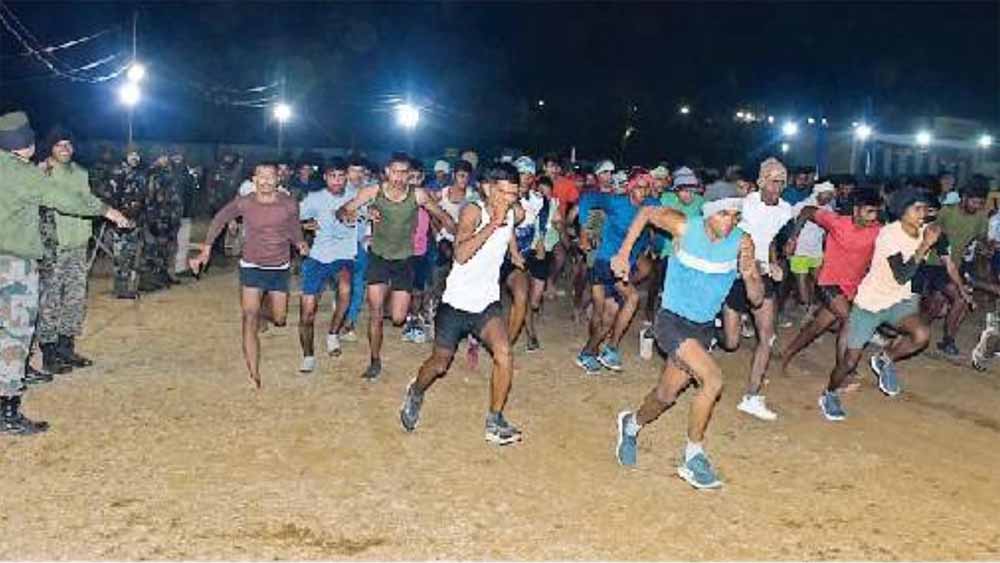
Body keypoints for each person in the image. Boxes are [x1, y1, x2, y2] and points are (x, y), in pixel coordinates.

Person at [612, 181, 763, 489]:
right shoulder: (684, 226)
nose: (730, 222)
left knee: (664, 396)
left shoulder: (742, 242)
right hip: (671, 321)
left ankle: (631, 425)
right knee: (713, 380)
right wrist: (623, 254)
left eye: (735, 215)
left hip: (703, 328)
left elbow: (757, 298)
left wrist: (750, 276)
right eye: (723, 214)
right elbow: (647, 212)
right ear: (708, 213)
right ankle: (693, 457)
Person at [1, 110, 131, 435]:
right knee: (14, 335)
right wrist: (107, 210)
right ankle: (7, 410)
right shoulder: (22, 174)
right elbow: (64, 198)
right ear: (26, 143)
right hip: (13, 265)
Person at [398, 162, 524, 445]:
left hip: (486, 304)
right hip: (455, 304)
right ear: (487, 188)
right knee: (439, 365)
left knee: (504, 353)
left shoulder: (512, 211)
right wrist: (493, 224)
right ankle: (416, 391)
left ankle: (495, 420)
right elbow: (461, 255)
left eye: (514, 194)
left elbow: (515, 221)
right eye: (504, 193)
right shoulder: (473, 211)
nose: (510, 199)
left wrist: (514, 250)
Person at [819, 189, 938, 421]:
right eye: (917, 208)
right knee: (849, 361)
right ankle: (829, 393)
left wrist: (934, 236)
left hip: (898, 302)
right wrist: (925, 245)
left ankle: (885, 358)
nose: (922, 213)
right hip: (870, 304)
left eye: (925, 209)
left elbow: (930, 252)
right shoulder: (888, 235)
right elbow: (902, 274)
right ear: (901, 211)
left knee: (921, 335)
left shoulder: (923, 231)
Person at [336, 153, 455, 381]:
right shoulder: (373, 192)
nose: (399, 177)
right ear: (387, 172)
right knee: (376, 313)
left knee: (399, 318)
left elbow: (443, 216)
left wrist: (459, 234)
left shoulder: (418, 195)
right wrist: (360, 213)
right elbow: (343, 211)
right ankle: (374, 360)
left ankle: (389, 292)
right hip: (379, 257)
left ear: (410, 174)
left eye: (404, 172)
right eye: (395, 172)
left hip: (404, 260)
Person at [190, 162, 308, 389]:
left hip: (278, 267)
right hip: (251, 265)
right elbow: (219, 219)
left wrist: (300, 242)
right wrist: (206, 250)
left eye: (270, 177)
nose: (265, 181)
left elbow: (293, 228)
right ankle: (254, 375)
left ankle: (263, 310)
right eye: (261, 177)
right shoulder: (245, 202)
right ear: (254, 180)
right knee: (249, 318)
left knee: (280, 319)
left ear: (278, 179)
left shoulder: (288, 203)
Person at [780, 189, 883, 377]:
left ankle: (788, 352)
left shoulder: (878, 231)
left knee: (817, 326)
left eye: (876, 212)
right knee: (849, 321)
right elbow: (806, 211)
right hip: (828, 282)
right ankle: (843, 371)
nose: (873, 217)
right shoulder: (837, 222)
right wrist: (793, 238)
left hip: (850, 288)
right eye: (869, 211)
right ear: (856, 210)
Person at [719, 157, 793, 421]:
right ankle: (716, 330)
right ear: (761, 181)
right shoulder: (744, 204)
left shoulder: (785, 209)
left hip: (763, 277)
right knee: (731, 343)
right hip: (736, 275)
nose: (777, 187)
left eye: (782, 182)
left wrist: (772, 261)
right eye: (773, 181)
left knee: (767, 336)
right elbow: (728, 236)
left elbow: (770, 238)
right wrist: (748, 261)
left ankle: (752, 396)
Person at [574, 165, 656, 374]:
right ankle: (610, 349)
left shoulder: (651, 205)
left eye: (646, 187)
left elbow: (662, 224)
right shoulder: (616, 202)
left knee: (609, 315)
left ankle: (589, 352)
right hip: (605, 260)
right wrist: (584, 232)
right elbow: (587, 199)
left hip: (625, 266)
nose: (643, 192)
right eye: (639, 187)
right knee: (630, 299)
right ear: (630, 187)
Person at [35, 127, 98, 374]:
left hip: (78, 246)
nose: (65, 149)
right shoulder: (41, 172)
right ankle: (49, 353)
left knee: (75, 299)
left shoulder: (81, 173)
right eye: (59, 144)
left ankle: (66, 347)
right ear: (50, 147)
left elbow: (88, 203)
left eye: (68, 144)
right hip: (54, 248)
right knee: (50, 301)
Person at [297, 158, 357, 372]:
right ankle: (308, 355)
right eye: (333, 176)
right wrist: (303, 230)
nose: (337, 181)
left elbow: (372, 214)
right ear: (325, 177)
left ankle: (333, 334)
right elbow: (293, 217)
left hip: (344, 255)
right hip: (318, 256)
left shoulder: (356, 196)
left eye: (341, 176)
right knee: (307, 311)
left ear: (346, 177)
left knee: (345, 290)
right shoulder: (315, 198)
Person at [919, 181, 987, 356]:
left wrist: (984, 247)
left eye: (980, 203)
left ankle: (921, 332)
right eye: (974, 202)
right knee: (958, 299)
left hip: (956, 264)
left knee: (937, 305)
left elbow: (981, 239)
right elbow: (929, 231)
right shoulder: (947, 212)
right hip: (935, 263)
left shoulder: (981, 217)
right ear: (964, 198)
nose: (977, 206)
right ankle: (944, 339)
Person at [787, 181, 836, 316]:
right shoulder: (802, 205)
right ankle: (806, 309)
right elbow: (791, 223)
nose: (829, 197)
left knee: (818, 281)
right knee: (801, 280)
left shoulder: (828, 209)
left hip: (816, 250)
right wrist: (791, 241)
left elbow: (827, 231)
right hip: (800, 249)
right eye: (827, 194)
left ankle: (811, 305)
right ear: (818, 192)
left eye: (831, 194)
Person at [342, 156, 372, 342]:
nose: (357, 175)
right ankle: (342, 315)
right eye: (353, 171)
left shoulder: (371, 191)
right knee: (344, 285)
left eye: (361, 171)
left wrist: (372, 234)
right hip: (340, 246)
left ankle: (350, 321)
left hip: (361, 245)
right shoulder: (337, 191)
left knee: (359, 284)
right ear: (346, 173)